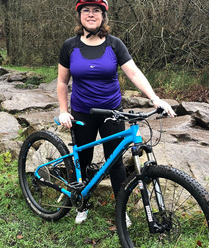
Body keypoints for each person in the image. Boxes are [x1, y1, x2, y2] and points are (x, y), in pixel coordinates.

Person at [57, 0, 176, 224]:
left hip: (112, 111)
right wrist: (63, 111)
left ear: (103, 16)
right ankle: (83, 203)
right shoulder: (69, 46)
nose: (91, 15)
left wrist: (155, 98)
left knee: (116, 163)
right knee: (84, 158)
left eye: (96, 11)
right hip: (82, 112)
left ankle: (121, 210)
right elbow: (62, 83)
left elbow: (134, 74)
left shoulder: (114, 44)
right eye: (86, 11)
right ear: (79, 15)